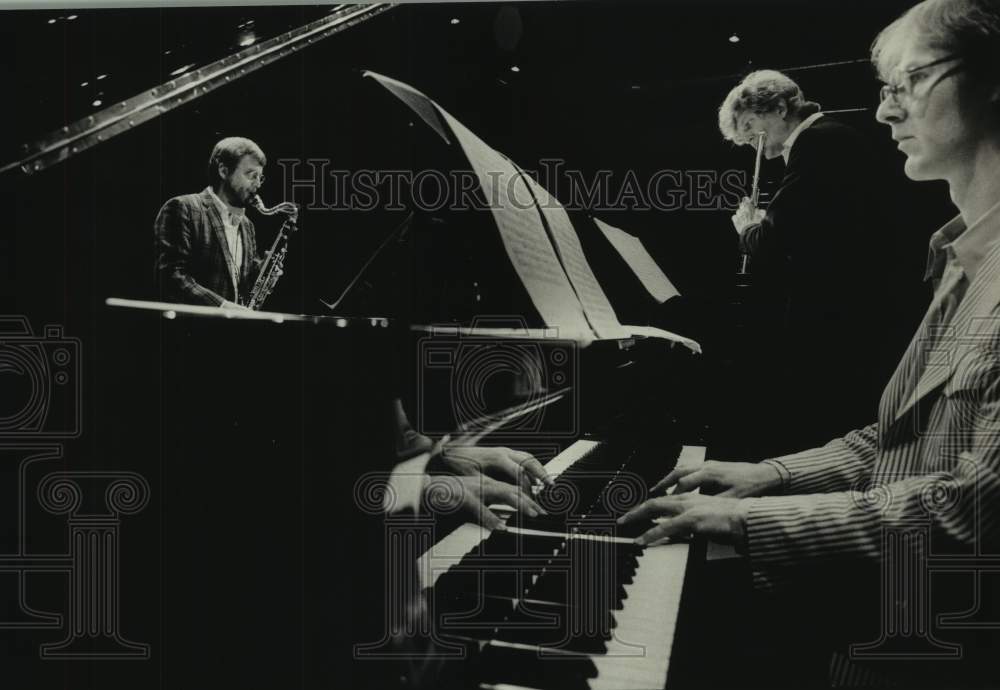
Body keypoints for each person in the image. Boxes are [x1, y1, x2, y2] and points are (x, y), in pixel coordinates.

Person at [624, 0, 1000, 685]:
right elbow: (897, 442)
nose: (885, 112)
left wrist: (747, 526)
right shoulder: (957, 255)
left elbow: (972, 515)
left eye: (907, 83)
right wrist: (770, 476)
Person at [718, 71, 885, 455]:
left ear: (779, 108)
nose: (756, 150)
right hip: (849, 309)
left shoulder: (818, 143)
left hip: (839, 317)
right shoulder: (829, 139)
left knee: (823, 423)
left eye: (751, 129)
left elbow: (771, 243)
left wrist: (747, 227)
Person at [154, 136, 266, 308]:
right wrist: (221, 307)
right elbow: (171, 276)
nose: (258, 184)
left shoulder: (247, 225)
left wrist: (263, 270)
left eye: (260, 177)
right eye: (252, 175)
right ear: (223, 171)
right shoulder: (183, 207)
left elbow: (240, 283)